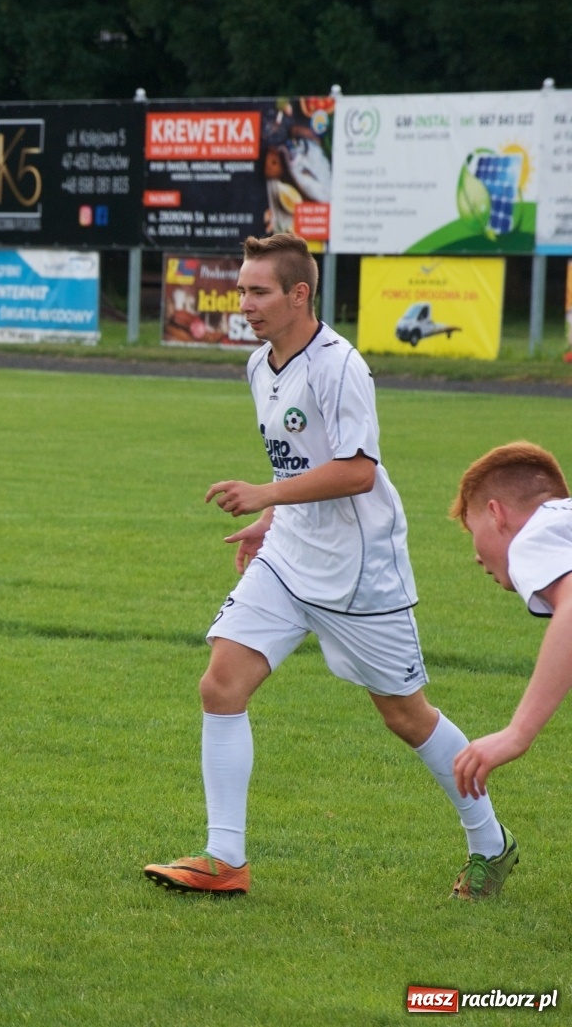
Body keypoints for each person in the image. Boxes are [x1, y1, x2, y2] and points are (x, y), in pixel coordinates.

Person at [142, 232, 515, 900]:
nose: (245, 304)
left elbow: (355, 469)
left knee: (407, 716)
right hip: (290, 555)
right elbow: (299, 462)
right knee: (220, 684)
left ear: (299, 294)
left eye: (258, 292)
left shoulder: (340, 365)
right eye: (242, 290)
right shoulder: (260, 365)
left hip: (359, 569)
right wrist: (269, 518)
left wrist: (265, 495)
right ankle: (225, 856)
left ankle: (491, 841)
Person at [450, 443, 572, 799]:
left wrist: (518, 732)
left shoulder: (532, 537)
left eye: (473, 532)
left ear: (495, 514)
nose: (476, 555)